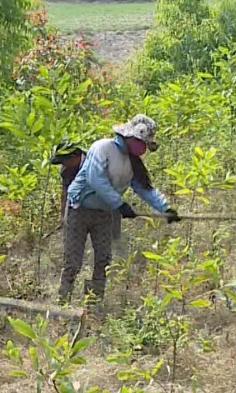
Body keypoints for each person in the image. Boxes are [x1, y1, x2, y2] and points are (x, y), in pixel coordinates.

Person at [60, 115, 181, 300]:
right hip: (80, 209)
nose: (143, 148)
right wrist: (120, 204)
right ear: (130, 136)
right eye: (142, 142)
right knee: (73, 262)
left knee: (103, 260)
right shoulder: (102, 148)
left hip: (104, 214)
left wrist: (165, 209)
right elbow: (95, 180)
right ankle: (63, 301)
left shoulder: (131, 162)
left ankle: (93, 302)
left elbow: (144, 188)